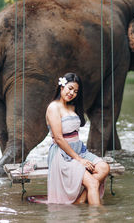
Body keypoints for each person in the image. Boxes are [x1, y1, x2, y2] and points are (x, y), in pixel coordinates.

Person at [45, 73, 110, 205]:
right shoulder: (53, 107)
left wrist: (82, 156)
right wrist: (80, 160)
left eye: (75, 91)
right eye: (70, 88)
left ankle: (80, 200)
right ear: (62, 87)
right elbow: (58, 138)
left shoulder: (73, 106)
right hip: (63, 154)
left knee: (104, 168)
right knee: (92, 183)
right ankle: (96, 217)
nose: (72, 93)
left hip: (79, 150)